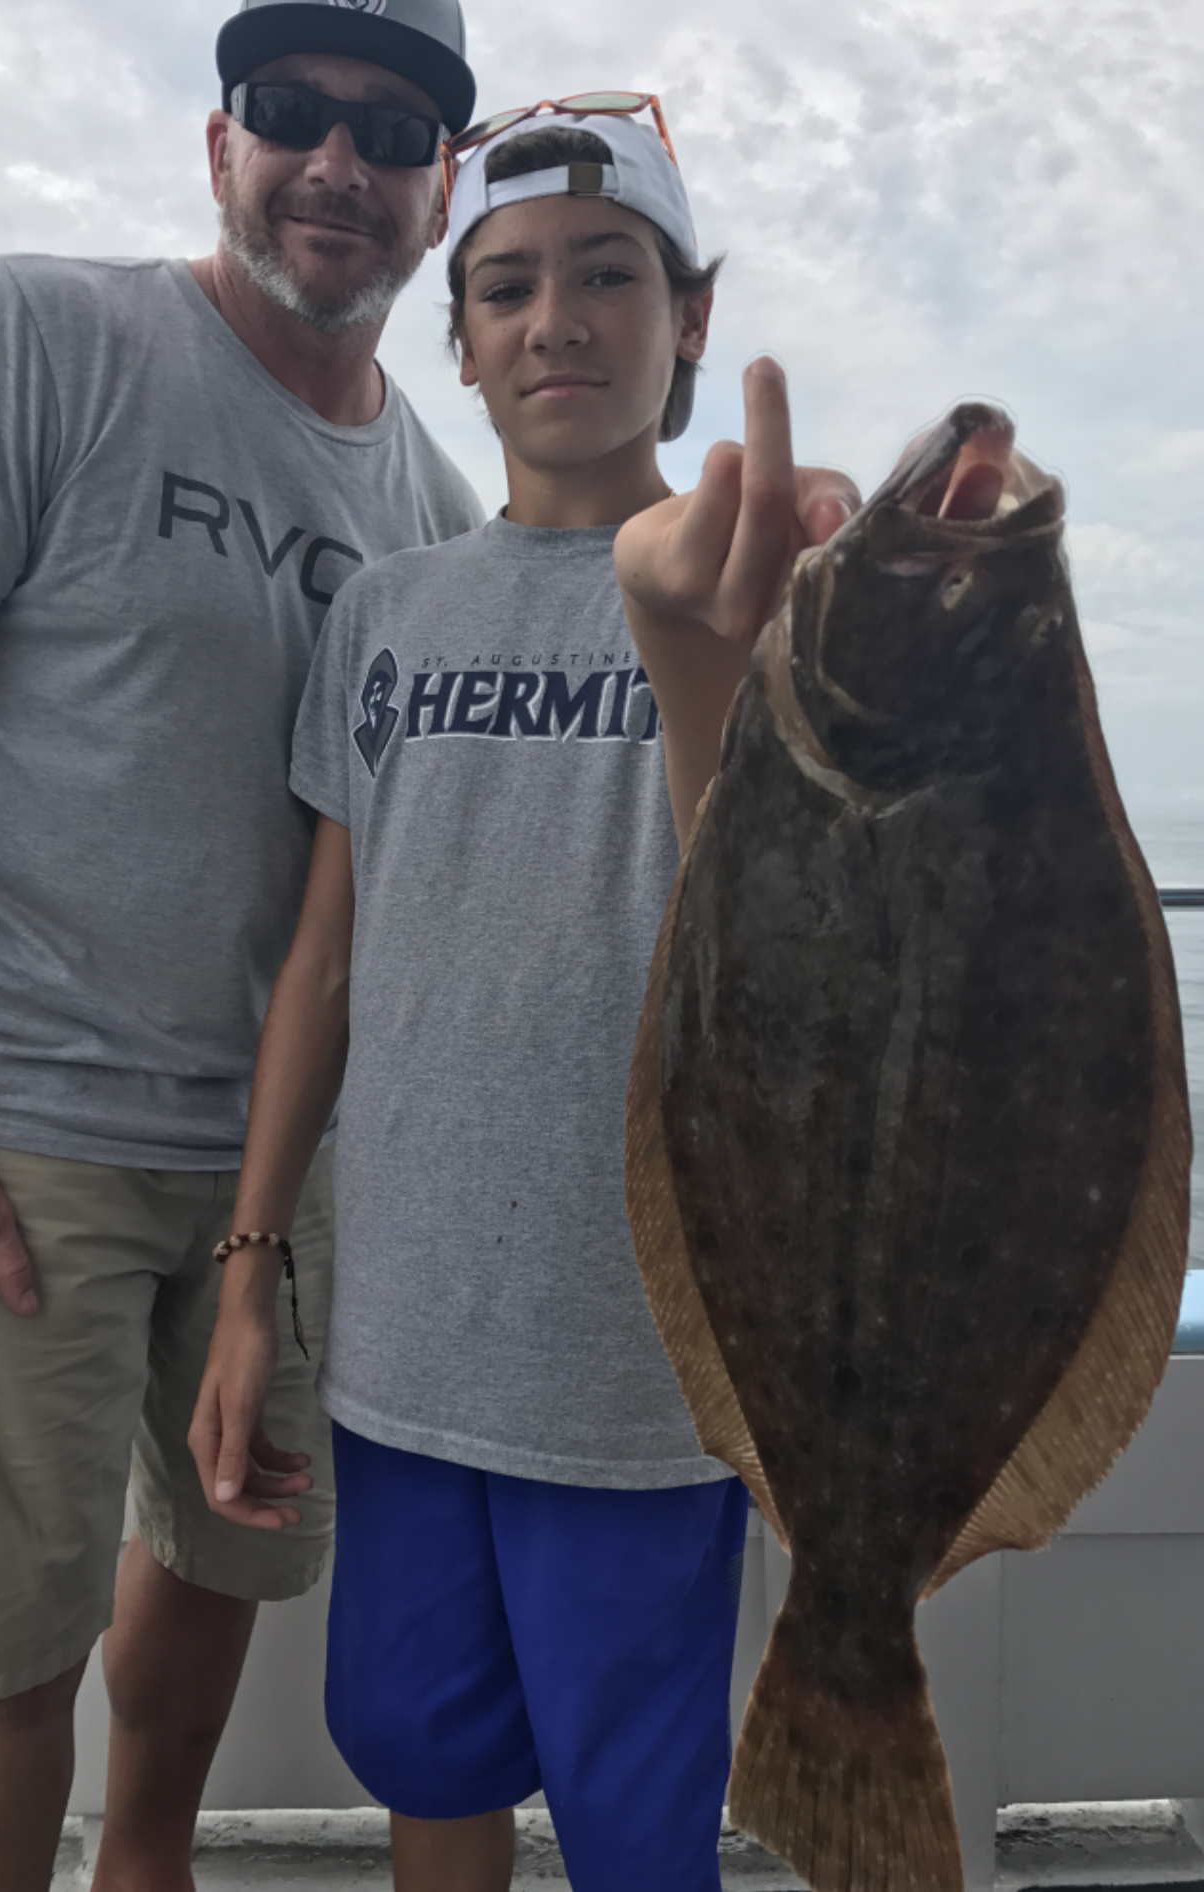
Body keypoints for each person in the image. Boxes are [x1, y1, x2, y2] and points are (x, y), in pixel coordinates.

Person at [0, 1, 483, 1886]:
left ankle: (149, 1867)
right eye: (293, 111)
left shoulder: (432, 511)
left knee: (225, 1554)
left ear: (437, 205)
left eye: (395, 132)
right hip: (22, 1136)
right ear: (220, 145)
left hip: (288, 1164)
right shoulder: (44, 335)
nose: (339, 159)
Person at [189, 99, 859, 1892]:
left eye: (609, 274)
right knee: (432, 1773)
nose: (556, 316)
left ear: (690, 318)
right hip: (402, 1357)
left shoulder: (778, 605)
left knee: (643, 1840)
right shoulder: (388, 615)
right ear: (462, 345)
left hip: (643, 1381)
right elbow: (323, 964)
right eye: (507, 288)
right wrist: (254, 1283)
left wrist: (724, 653)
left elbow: (788, 966)